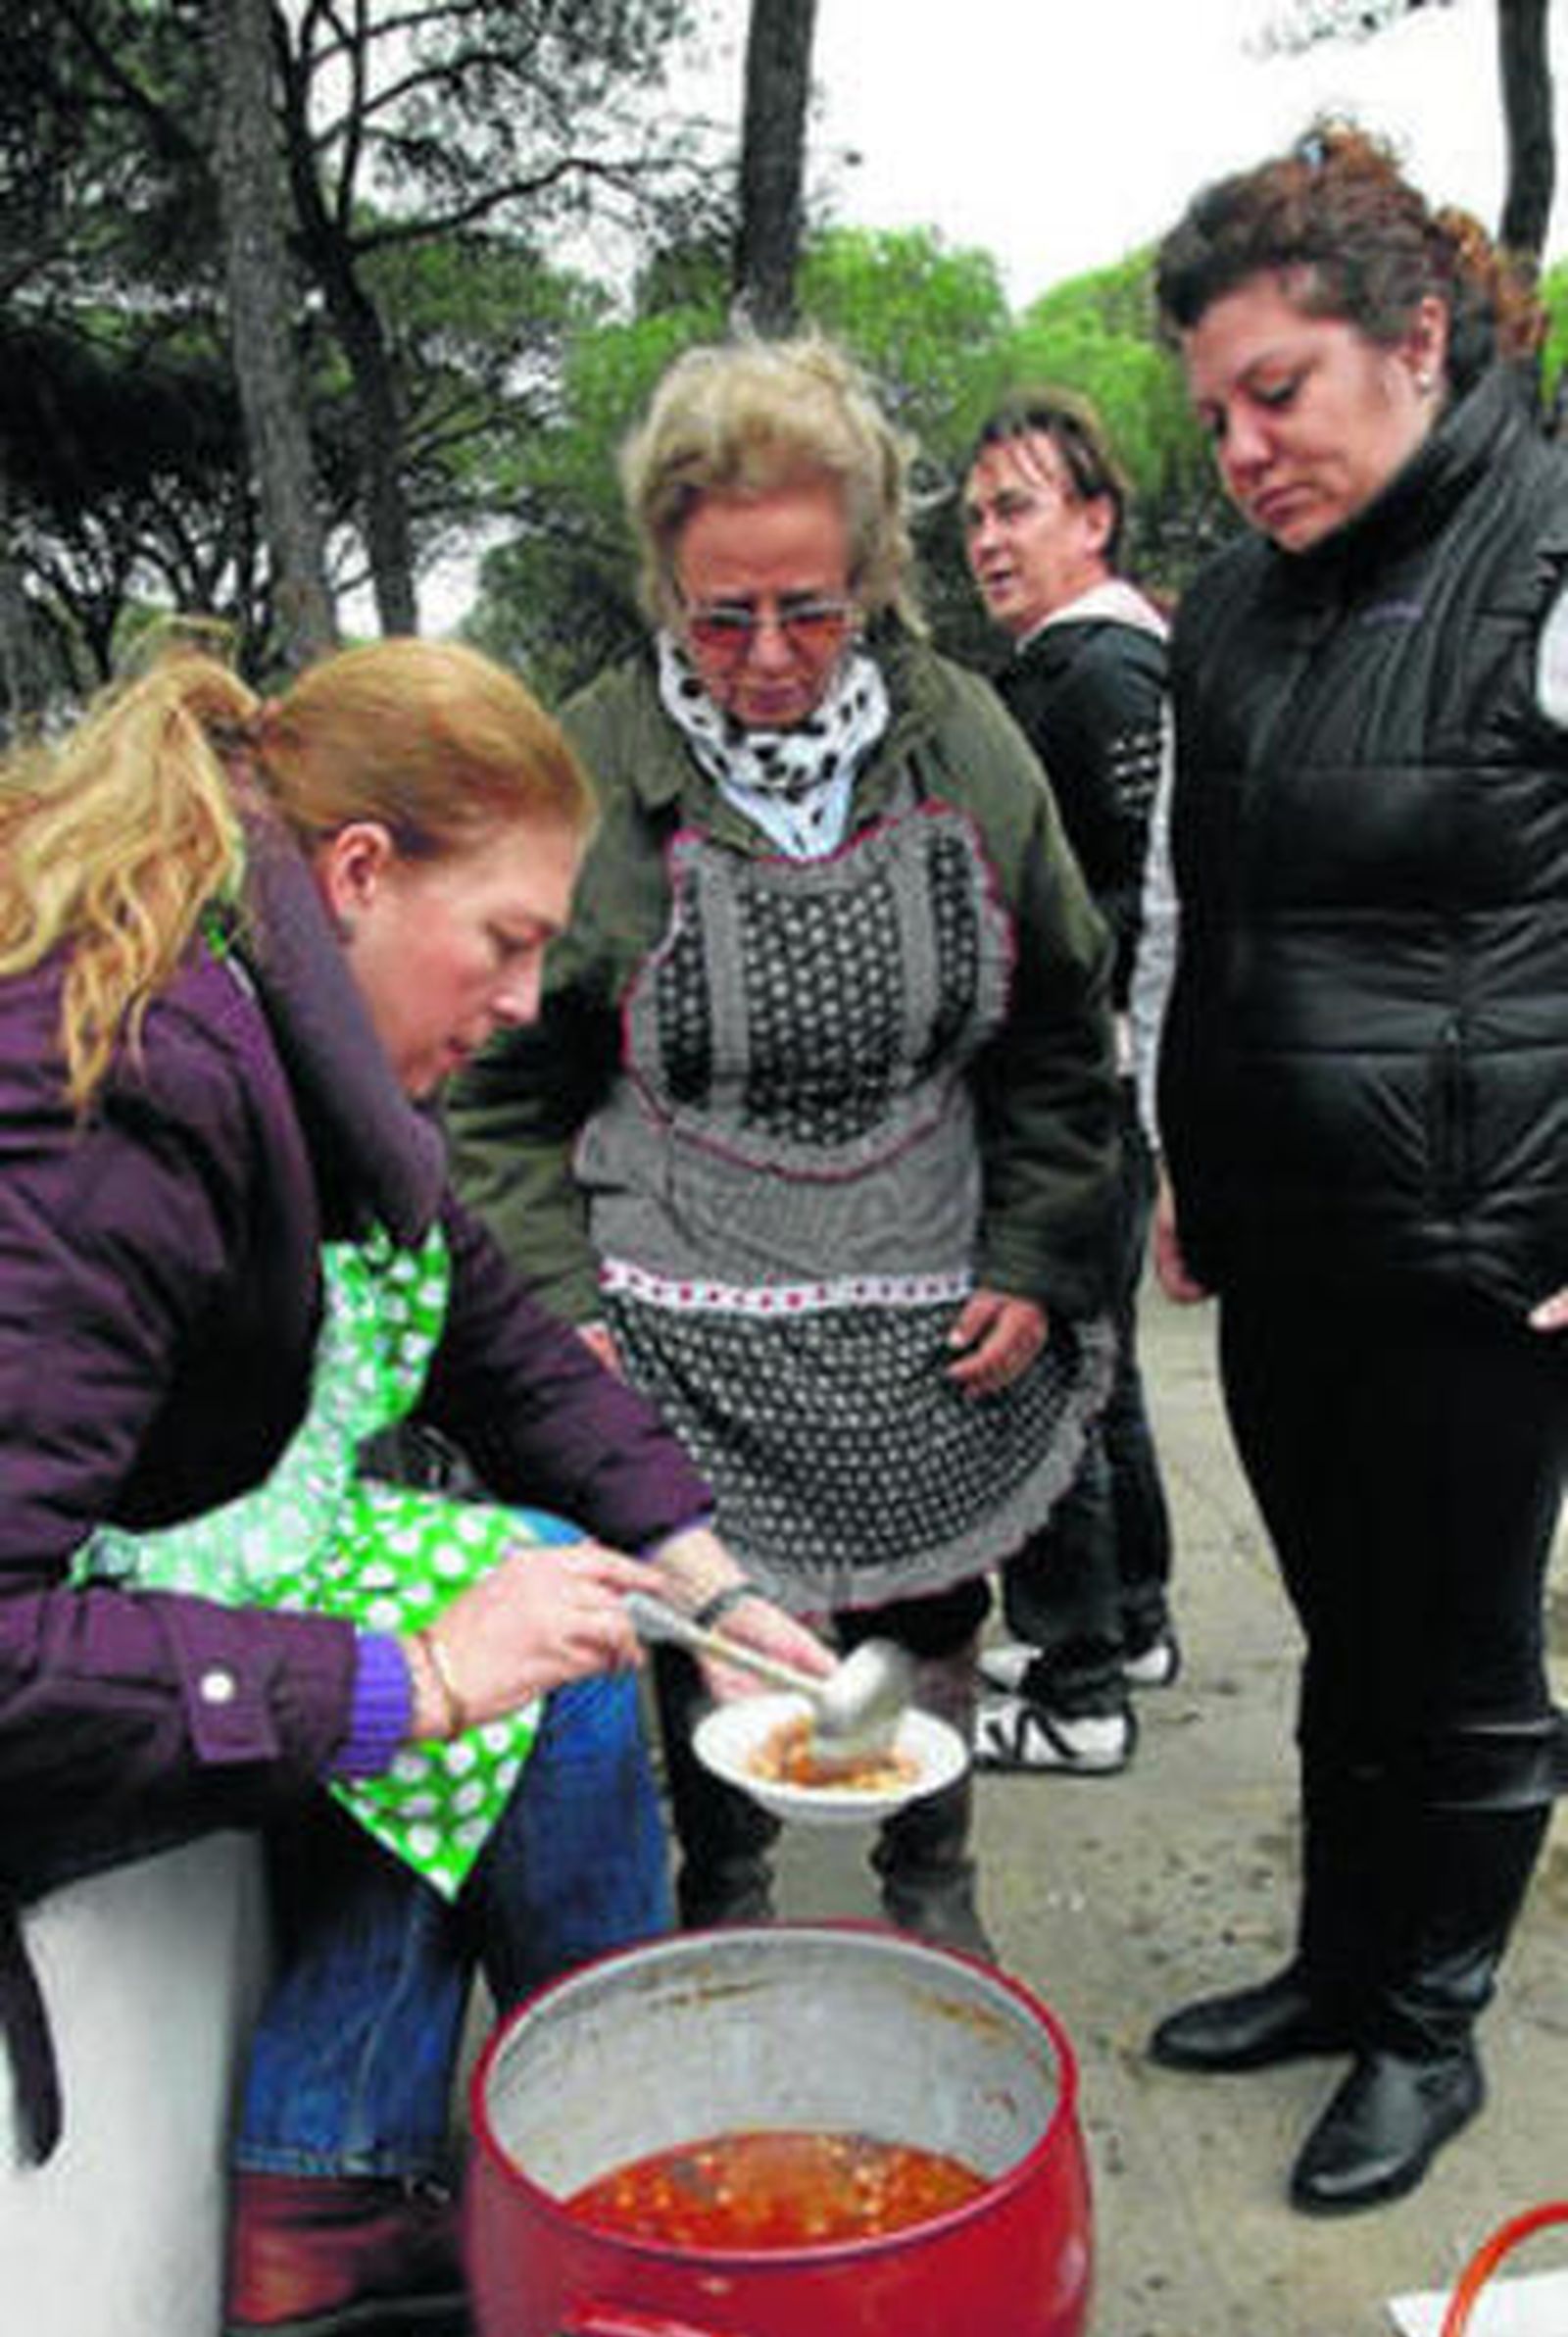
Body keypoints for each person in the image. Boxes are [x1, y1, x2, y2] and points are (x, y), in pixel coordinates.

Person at [0, 632, 831, 2337]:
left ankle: (338, 2177)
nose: (531, 1001)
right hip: (59, 1681)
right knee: (516, 1624)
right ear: (360, 873)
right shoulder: (127, 1083)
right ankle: (623, 2170)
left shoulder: (290, 1028)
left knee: (577, 1596)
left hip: (171, 1564)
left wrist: (715, 1580)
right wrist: (414, 1684)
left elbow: (504, 1348)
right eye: (508, 941)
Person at [448, 330, 1120, 1956]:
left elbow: (1057, 1035)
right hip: (675, 1294)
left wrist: (1037, 1251)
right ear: (666, 582)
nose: (766, 652)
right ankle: (727, 1882)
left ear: (875, 572)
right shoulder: (596, 762)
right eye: (721, 610)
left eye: (810, 607)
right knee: (707, 1607)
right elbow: (499, 1082)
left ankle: (930, 1878)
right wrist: (558, 1303)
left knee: (925, 1601)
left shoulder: (966, 744)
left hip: (927, 1281)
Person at [1144, 123, 1568, 2213]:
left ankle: (1430, 2030)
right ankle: (1332, 1965)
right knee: (1338, 1631)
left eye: (1273, 395)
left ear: (1413, 339)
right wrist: (1183, 1156)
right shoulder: (1231, 606)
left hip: (1489, 1253)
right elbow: (1206, 914)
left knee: (1462, 1652)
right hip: (1283, 1236)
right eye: (1211, 411)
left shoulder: (1552, 559)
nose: (1235, 448)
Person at [961, 388, 1180, 1775]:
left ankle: (1076, 1685)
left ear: (1094, 518)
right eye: (975, 515)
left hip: (1080, 1087)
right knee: (1107, 1371)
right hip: (1106, 1085)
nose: (987, 540)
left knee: (1053, 1380)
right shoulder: (1086, 666)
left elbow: (1119, 904)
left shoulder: (1092, 677)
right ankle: (1132, 1618)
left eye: (1018, 508)